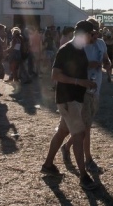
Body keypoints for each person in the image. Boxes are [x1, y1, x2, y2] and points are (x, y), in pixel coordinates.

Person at [40, 20, 100, 191]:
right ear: (85, 34)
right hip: (68, 99)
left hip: (75, 98)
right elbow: (55, 75)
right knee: (80, 135)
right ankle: (83, 175)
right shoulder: (66, 50)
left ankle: (48, 164)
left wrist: (86, 79)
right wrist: (79, 82)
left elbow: (75, 68)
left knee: (63, 132)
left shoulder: (80, 50)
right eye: (92, 34)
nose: (94, 37)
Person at [62, 18, 111, 173]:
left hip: (95, 90)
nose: (95, 34)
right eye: (92, 31)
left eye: (96, 30)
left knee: (84, 125)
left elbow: (105, 58)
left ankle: (66, 147)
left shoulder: (101, 44)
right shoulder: (78, 45)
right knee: (86, 128)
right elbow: (70, 67)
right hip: (80, 90)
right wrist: (89, 65)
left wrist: (108, 62)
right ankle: (88, 160)